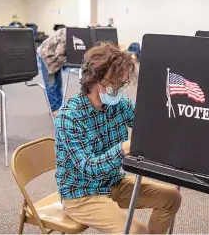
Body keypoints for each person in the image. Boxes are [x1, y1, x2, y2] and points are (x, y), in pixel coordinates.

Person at [54, 41, 182, 234]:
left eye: (124, 82)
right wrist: (124, 148)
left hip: (113, 182)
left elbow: (145, 123)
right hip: (81, 194)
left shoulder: (118, 104)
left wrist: (170, 117)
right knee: (136, 231)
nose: (123, 86)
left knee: (171, 197)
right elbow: (89, 168)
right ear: (97, 81)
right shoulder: (69, 116)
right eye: (118, 82)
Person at [37, 26, 66, 116]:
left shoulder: (71, 34)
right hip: (46, 57)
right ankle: (54, 109)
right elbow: (59, 53)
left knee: (58, 84)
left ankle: (60, 107)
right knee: (51, 84)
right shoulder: (67, 36)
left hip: (55, 58)